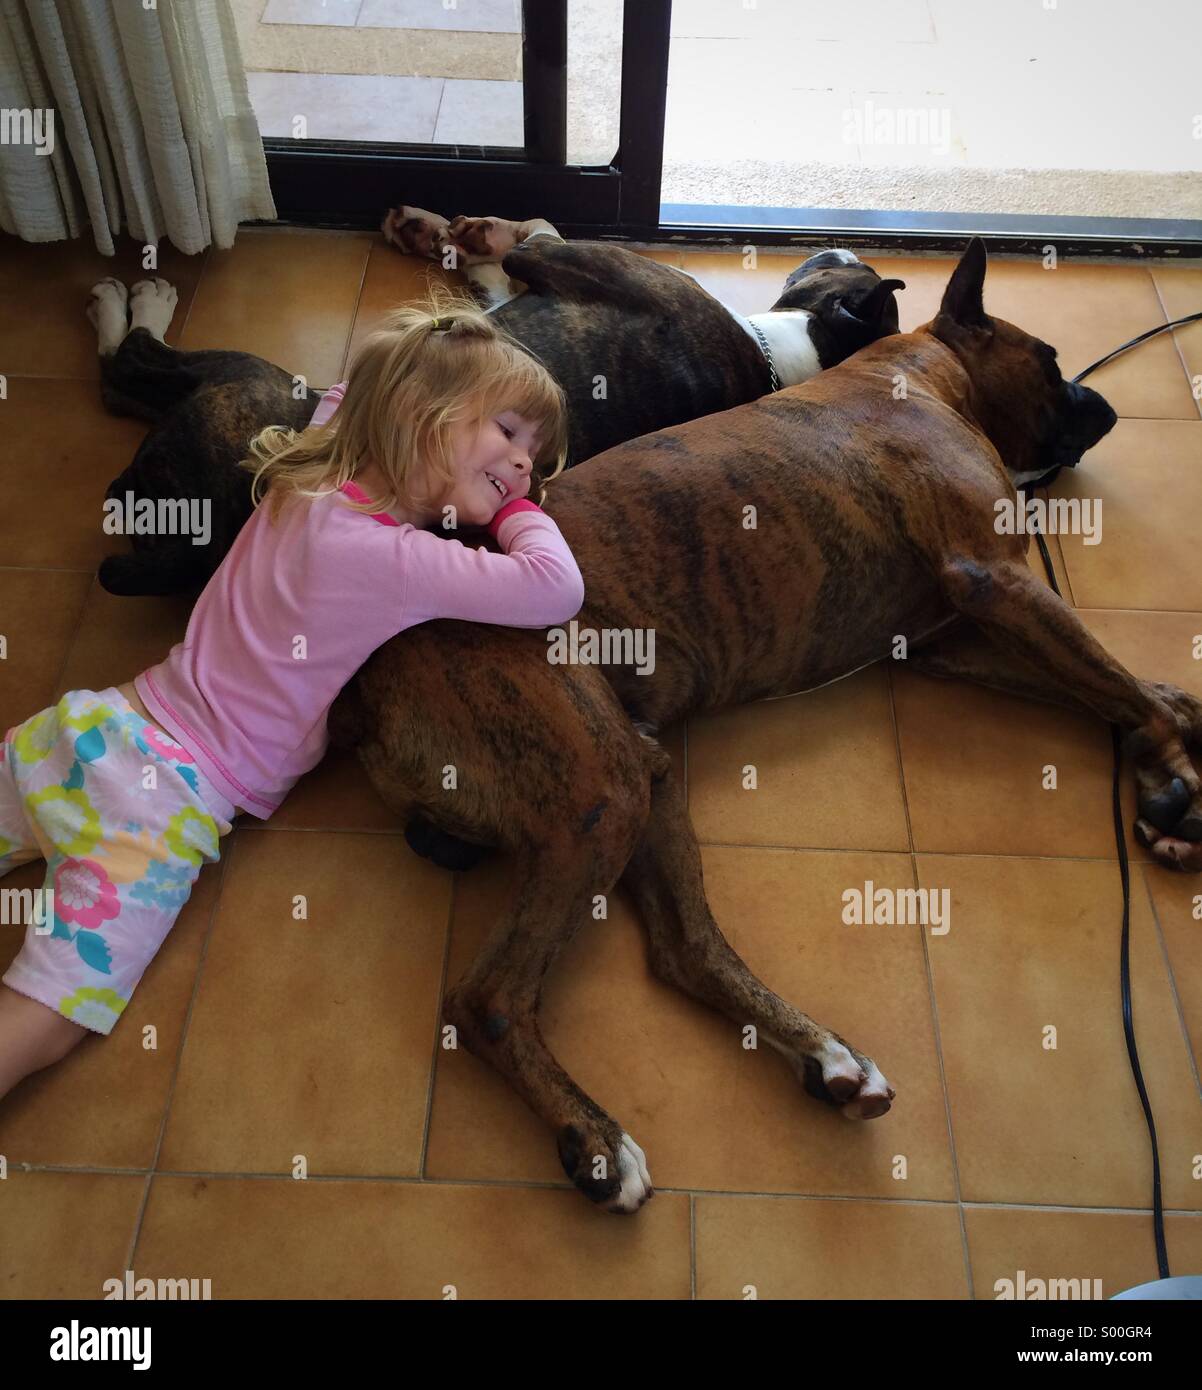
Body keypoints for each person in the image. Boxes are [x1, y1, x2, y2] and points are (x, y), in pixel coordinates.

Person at [0, 293, 583, 1100]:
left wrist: (451, 354)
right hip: (159, 804)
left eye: (534, 455)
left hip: (90, 724)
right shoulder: (397, 560)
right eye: (511, 436)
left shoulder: (311, 474)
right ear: (419, 414)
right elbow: (555, 589)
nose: (528, 465)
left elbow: (354, 390)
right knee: (50, 1011)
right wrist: (517, 512)